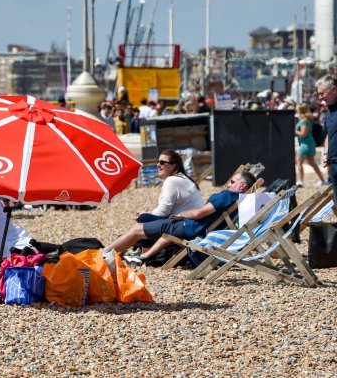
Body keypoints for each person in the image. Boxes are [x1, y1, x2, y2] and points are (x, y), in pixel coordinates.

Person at [103, 171, 257, 264]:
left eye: (232, 181)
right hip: (198, 230)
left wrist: (182, 214)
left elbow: (198, 214)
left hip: (189, 227)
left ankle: (103, 254)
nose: (228, 184)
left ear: (241, 186)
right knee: (166, 231)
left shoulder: (227, 195)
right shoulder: (240, 200)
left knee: (138, 228)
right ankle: (144, 256)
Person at [144, 149, 203, 218]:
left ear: (174, 165)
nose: (158, 165)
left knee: (142, 219)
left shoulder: (172, 180)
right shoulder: (184, 179)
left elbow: (163, 212)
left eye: (162, 162)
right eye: (158, 162)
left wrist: (145, 214)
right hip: (192, 222)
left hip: (183, 223)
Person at [295, 104, 327, 187]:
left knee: (298, 162)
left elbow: (303, 134)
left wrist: (294, 131)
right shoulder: (306, 119)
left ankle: (300, 181)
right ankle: (322, 180)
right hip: (309, 144)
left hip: (305, 145)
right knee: (312, 163)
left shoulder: (304, 120)